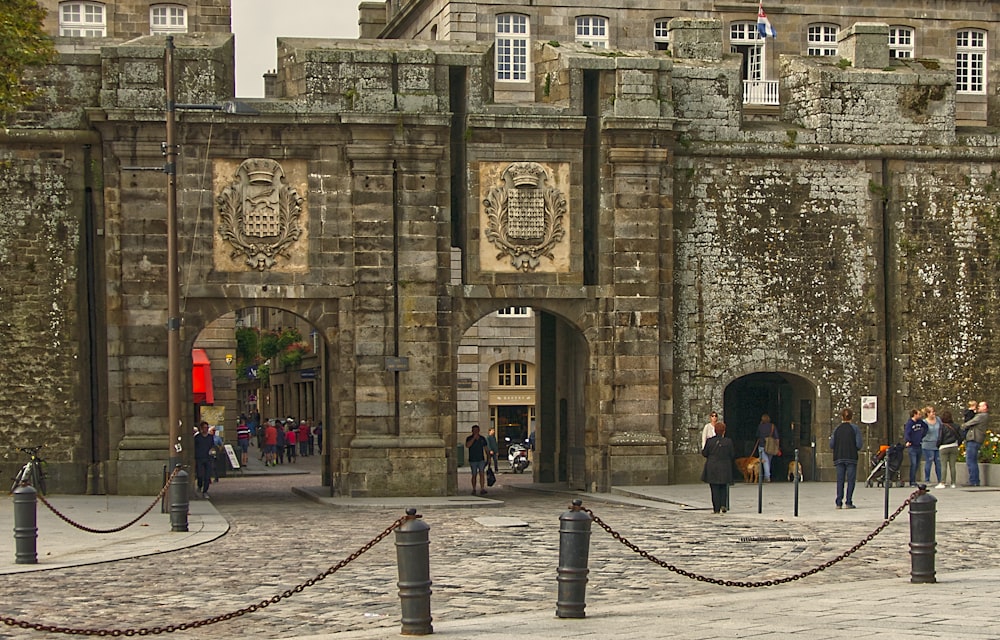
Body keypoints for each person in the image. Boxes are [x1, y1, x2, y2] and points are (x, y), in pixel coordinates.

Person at [829, 408, 863, 509]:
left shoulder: (837, 429)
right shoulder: (855, 429)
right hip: (851, 456)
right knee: (851, 480)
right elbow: (859, 444)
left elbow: (831, 444)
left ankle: (838, 502)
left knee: (840, 480)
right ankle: (848, 501)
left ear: (841, 417)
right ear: (851, 417)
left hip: (839, 456)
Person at [701, 421, 735, 514]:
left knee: (714, 488)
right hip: (725, 466)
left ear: (715, 431)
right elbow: (732, 454)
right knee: (723, 486)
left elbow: (705, 453)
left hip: (713, 466)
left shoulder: (710, 441)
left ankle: (716, 508)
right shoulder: (728, 441)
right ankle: (723, 504)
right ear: (724, 431)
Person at [962, 401, 989, 487]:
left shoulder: (981, 416)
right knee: (972, 460)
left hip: (974, 439)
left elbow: (969, 423)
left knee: (971, 461)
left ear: (985, 407)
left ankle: (973, 481)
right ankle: (974, 480)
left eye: (980, 406)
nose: (978, 408)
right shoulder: (981, 415)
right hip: (975, 439)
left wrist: (963, 425)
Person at [938, 410, 962, 488]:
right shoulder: (956, 426)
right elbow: (961, 436)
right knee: (952, 466)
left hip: (944, 446)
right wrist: (958, 444)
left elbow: (940, 437)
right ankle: (953, 483)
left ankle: (943, 482)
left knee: (943, 465)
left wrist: (938, 445)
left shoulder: (942, 426)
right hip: (954, 446)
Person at [903, 408, 927, 486]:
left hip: (919, 444)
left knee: (917, 464)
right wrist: (908, 441)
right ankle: (912, 481)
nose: (920, 416)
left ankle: (914, 480)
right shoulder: (909, 423)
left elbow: (926, 427)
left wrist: (922, 435)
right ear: (914, 415)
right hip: (912, 446)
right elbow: (907, 432)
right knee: (913, 463)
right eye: (918, 414)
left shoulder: (920, 422)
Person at [922, 406, 943, 488]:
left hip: (937, 444)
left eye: (934, 412)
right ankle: (927, 479)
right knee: (929, 461)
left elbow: (942, 429)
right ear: (927, 414)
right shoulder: (924, 422)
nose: (933, 414)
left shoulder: (938, 420)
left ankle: (940, 480)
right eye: (931, 412)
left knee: (938, 463)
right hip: (927, 444)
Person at [465, 424, 490, 496]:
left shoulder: (482, 439)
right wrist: (473, 439)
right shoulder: (469, 438)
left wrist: (488, 457)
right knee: (474, 474)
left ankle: (482, 488)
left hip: (480, 459)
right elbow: (467, 445)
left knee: (482, 474)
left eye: (477, 430)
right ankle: (474, 488)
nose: (476, 432)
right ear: (472, 431)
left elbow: (486, 448)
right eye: (474, 431)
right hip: (473, 459)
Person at [193, 421, 215, 499]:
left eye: (207, 428)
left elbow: (212, 446)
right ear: (201, 428)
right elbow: (194, 447)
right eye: (204, 428)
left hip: (208, 458)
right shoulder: (197, 437)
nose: (206, 429)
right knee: (199, 474)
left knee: (207, 476)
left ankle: (205, 491)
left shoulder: (210, 437)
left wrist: (212, 451)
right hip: (199, 458)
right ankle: (199, 485)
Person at [756, 414, 779, 482]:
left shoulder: (760, 426)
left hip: (762, 445)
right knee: (768, 461)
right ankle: (767, 475)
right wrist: (777, 447)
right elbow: (777, 437)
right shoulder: (772, 426)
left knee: (765, 462)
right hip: (771, 446)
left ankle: (767, 477)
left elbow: (757, 435)